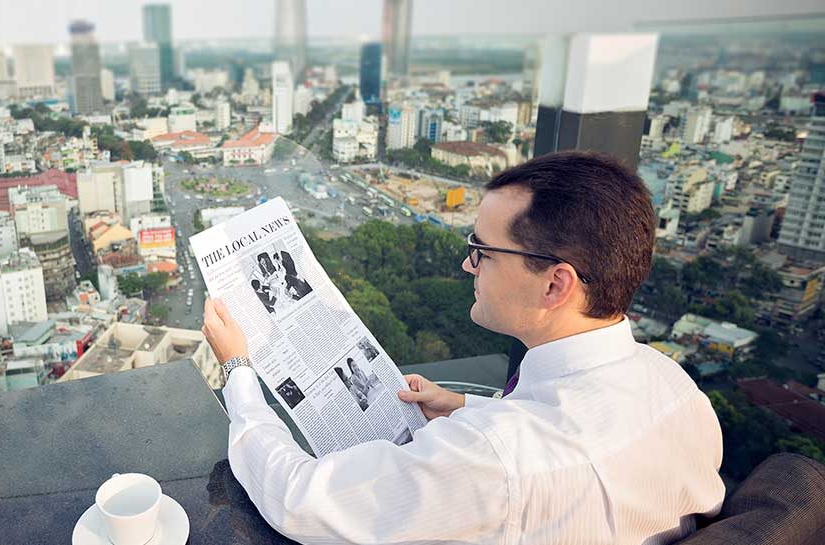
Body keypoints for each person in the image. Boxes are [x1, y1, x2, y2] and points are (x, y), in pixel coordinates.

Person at [201, 151, 725, 544]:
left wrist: (240, 369)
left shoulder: (493, 461)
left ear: (555, 285)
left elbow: (298, 499)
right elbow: (576, 438)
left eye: (483, 251)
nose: (467, 265)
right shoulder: (676, 389)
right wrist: (467, 408)